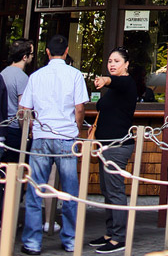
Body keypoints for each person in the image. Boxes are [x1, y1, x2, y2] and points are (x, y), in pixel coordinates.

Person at [19, 33, 89, 255]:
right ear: (67, 51)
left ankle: (32, 242)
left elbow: (25, 110)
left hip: (41, 136)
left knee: (35, 190)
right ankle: (70, 240)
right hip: (66, 137)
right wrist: (77, 128)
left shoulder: (36, 76)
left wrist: (31, 130)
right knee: (69, 191)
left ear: (47, 52)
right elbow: (79, 108)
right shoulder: (75, 75)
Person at [88, 47, 138, 254]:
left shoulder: (126, 83)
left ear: (126, 64)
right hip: (104, 145)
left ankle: (119, 237)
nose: (112, 64)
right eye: (110, 61)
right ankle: (110, 232)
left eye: (117, 61)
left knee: (115, 191)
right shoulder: (114, 89)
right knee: (107, 190)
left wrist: (105, 80)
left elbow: (115, 81)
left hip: (118, 146)